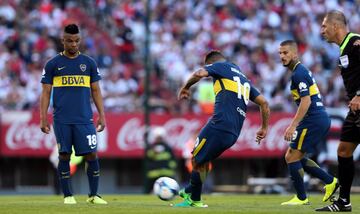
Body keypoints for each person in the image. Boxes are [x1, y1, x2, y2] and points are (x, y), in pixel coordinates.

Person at [175, 50, 270, 207]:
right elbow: (264, 103)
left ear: (211, 63)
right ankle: (192, 191)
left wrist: (186, 87)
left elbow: (199, 73)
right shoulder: (243, 78)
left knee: (197, 157)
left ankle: (193, 197)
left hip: (219, 124)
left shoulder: (220, 66)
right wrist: (264, 128)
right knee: (203, 160)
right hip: (233, 133)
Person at [40, 24, 107, 205]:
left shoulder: (89, 63)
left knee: (92, 155)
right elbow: (45, 93)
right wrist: (43, 118)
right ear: (63, 41)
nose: (73, 44)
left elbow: (96, 90)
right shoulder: (53, 64)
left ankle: (93, 195)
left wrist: (102, 115)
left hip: (85, 119)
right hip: (62, 120)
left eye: (76, 41)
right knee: (64, 156)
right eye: (69, 41)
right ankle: (68, 195)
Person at [278, 40, 338, 206]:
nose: (282, 56)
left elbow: (306, 101)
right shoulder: (299, 71)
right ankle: (330, 181)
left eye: (285, 53)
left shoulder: (299, 73)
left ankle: (302, 198)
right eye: (280, 53)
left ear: (295, 54)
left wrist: (293, 125)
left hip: (314, 119)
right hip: (317, 119)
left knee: (291, 156)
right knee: (295, 156)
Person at [316, 10, 360, 212]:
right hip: (355, 110)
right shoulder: (343, 50)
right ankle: (344, 202)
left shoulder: (355, 42)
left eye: (324, 26)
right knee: (343, 150)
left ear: (336, 26)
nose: (322, 30)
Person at [144, 127, 177, 194]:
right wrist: (154, 152)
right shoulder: (151, 147)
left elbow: (173, 160)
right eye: (157, 137)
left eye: (160, 137)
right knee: (147, 191)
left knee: (170, 189)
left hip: (167, 174)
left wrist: (169, 167)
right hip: (153, 175)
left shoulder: (168, 148)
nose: (159, 139)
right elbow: (148, 158)